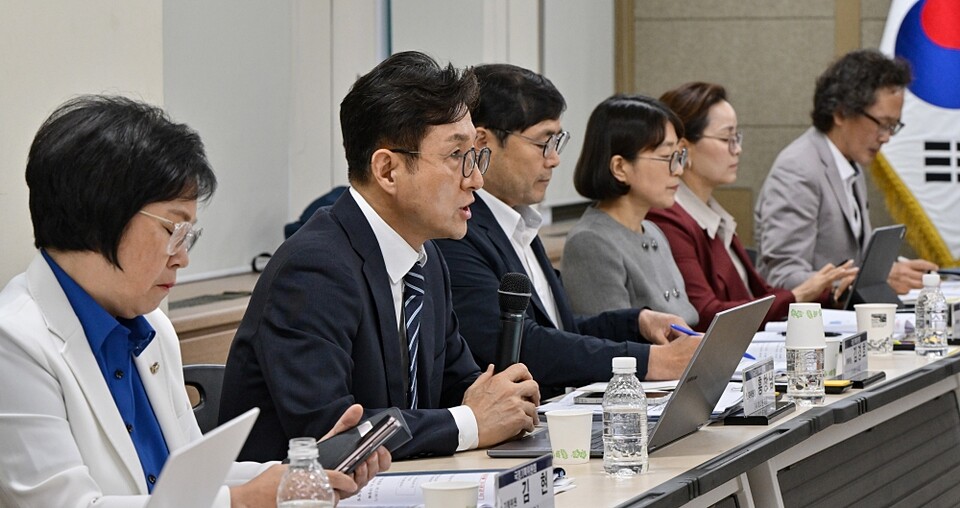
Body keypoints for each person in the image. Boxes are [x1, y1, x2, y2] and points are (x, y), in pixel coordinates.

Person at [0, 95, 387, 507]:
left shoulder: (151, 327)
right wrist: (240, 501)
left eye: (189, 236)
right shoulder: (15, 343)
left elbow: (187, 480)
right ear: (97, 215)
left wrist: (303, 470)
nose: (182, 257)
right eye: (173, 230)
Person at [219, 52, 540, 462]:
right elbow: (333, 433)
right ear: (388, 170)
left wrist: (505, 403)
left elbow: (460, 387)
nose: (476, 179)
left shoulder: (426, 259)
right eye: (457, 157)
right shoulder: (313, 270)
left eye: (476, 157)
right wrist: (472, 422)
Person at [435, 64, 699, 399]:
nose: (554, 159)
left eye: (557, 142)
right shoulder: (458, 231)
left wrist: (637, 322)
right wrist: (649, 361)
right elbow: (517, 344)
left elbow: (562, 327)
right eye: (543, 142)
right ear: (483, 142)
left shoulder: (519, 222)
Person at [647, 82, 857, 330]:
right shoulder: (668, 219)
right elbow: (705, 314)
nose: (737, 149)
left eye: (737, 138)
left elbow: (757, 294)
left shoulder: (712, 214)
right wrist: (798, 295)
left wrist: (828, 292)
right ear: (684, 148)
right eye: (726, 138)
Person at [754, 49, 937, 294]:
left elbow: (855, 262)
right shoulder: (798, 170)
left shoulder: (851, 165)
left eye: (893, 126)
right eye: (882, 124)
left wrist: (890, 270)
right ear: (841, 113)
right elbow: (782, 279)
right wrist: (873, 278)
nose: (886, 137)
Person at [562, 94, 700, 327]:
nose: (678, 170)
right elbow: (612, 339)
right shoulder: (590, 241)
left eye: (679, 156)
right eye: (666, 157)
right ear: (620, 167)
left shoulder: (653, 231)